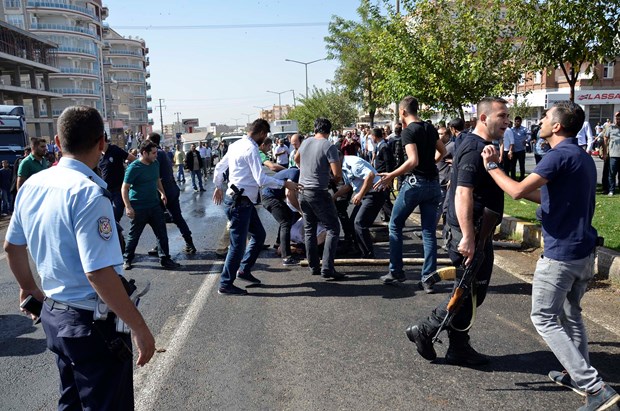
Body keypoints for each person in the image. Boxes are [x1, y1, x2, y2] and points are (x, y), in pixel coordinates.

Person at [4, 106, 155, 409]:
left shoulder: (32, 185)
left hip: (54, 316)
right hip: (91, 324)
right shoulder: (88, 194)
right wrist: (139, 327)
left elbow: (12, 247)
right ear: (102, 143)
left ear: (57, 143)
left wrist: (29, 287)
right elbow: (98, 273)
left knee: (71, 401)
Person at [481, 101, 619, 411]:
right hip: (583, 251)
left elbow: (516, 192)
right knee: (571, 315)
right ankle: (576, 374)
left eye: (545, 117)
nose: (541, 121)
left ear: (556, 126)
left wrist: (492, 167)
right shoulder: (580, 156)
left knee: (543, 317)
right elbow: (540, 195)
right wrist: (510, 180)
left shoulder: (557, 156)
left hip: (561, 255)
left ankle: (594, 388)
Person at [405, 97, 508, 366]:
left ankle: (459, 348)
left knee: (471, 291)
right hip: (470, 232)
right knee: (469, 291)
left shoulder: (479, 145)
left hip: (477, 231)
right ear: (484, 118)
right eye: (502, 115)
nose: (507, 121)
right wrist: (468, 237)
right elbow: (463, 191)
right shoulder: (475, 148)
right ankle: (426, 330)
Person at [213, 119, 298, 295]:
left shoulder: (236, 145)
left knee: (259, 235)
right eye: (265, 135)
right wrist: (284, 184)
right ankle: (225, 283)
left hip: (243, 201)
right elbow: (261, 180)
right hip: (240, 203)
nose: (265, 139)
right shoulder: (251, 149)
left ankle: (244, 269)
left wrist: (218, 186)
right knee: (237, 246)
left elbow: (220, 167)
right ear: (260, 133)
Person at [374, 96, 445, 292]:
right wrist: (431, 164)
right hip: (433, 185)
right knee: (429, 232)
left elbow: (412, 161)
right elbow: (443, 151)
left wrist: (391, 175)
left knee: (395, 225)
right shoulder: (429, 128)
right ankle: (428, 278)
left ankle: (396, 271)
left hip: (415, 184)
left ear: (403, 112)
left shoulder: (408, 132)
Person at [295, 117, 344, 280]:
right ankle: (328, 268)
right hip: (318, 192)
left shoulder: (306, 142)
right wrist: (331, 180)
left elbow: (296, 159)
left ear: (315, 129)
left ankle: (313, 266)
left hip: (302, 191)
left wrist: (306, 170)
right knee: (333, 228)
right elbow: (337, 174)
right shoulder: (329, 145)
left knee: (309, 228)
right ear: (329, 131)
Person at [122, 140, 181, 270]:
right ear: (144, 153)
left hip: (154, 206)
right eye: (153, 153)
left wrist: (162, 193)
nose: (156, 155)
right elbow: (124, 188)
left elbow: (157, 180)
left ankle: (165, 259)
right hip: (139, 207)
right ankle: (127, 259)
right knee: (134, 236)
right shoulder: (134, 167)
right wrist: (128, 206)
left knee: (162, 234)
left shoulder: (155, 163)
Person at [146, 133, 197, 254]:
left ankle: (162, 246)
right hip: (171, 189)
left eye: (147, 140)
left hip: (163, 191)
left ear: (151, 142)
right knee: (176, 218)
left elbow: (154, 174)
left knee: (157, 219)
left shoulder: (156, 154)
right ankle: (188, 243)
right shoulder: (162, 153)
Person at [335, 154, 387, 258]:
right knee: (352, 222)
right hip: (367, 194)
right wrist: (334, 197)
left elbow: (370, 175)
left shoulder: (353, 163)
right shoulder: (344, 166)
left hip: (375, 193)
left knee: (359, 223)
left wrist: (360, 195)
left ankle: (368, 254)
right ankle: (358, 249)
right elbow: (348, 186)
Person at [262, 167, 301, 266]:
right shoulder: (295, 173)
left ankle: (278, 244)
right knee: (285, 223)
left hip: (271, 196)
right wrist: (301, 210)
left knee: (290, 215)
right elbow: (289, 194)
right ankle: (286, 257)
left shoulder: (294, 171)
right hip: (269, 197)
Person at [99, 137, 136, 222]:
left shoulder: (115, 150)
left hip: (118, 189)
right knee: (106, 217)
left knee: (116, 215)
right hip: (105, 191)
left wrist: (131, 176)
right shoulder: (98, 155)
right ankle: (118, 234)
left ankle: (118, 233)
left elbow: (134, 160)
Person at [603, 112, 620, 196]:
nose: (618, 120)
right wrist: (605, 153)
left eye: (619, 118)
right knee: (612, 173)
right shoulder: (610, 128)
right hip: (613, 154)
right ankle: (611, 190)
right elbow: (605, 139)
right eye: (617, 118)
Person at [506, 116, 528, 181]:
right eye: (516, 121)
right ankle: (513, 178)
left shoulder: (524, 129)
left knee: (521, 165)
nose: (516, 122)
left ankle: (522, 177)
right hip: (514, 150)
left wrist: (526, 141)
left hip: (521, 150)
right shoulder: (511, 129)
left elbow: (529, 136)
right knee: (513, 165)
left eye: (518, 121)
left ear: (521, 122)